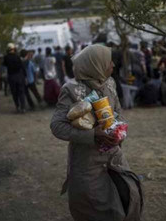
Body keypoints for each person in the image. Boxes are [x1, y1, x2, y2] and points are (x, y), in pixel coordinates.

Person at [50, 44, 143, 221]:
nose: (113, 66)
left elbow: (119, 113)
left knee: (129, 198)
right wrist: (93, 135)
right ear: (96, 64)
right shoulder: (71, 90)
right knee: (95, 208)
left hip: (115, 158)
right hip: (87, 163)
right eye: (109, 62)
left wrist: (119, 131)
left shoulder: (109, 83)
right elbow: (57, 126)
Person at [3, 43, 26, 113]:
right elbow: (22, 67)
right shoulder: (17, 56)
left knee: (14, 92)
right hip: (19, 76)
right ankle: (23, 108)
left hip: (11, 76)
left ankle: (17, 107)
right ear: (14, 49)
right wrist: (25, 76)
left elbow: (4, 65)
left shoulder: (6, 57)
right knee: (21, 92)